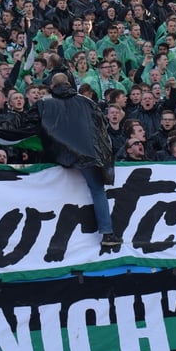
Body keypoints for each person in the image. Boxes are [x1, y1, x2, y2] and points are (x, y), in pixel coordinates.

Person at [32, 73, 119, 248]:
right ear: (69, 83)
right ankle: (107, 234)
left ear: (52, 86)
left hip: (57, 154)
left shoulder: (43, 103)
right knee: (97, 190)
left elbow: (30, 126)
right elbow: (101, 125)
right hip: (87, 153)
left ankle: (46, 240)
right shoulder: (86, 101)